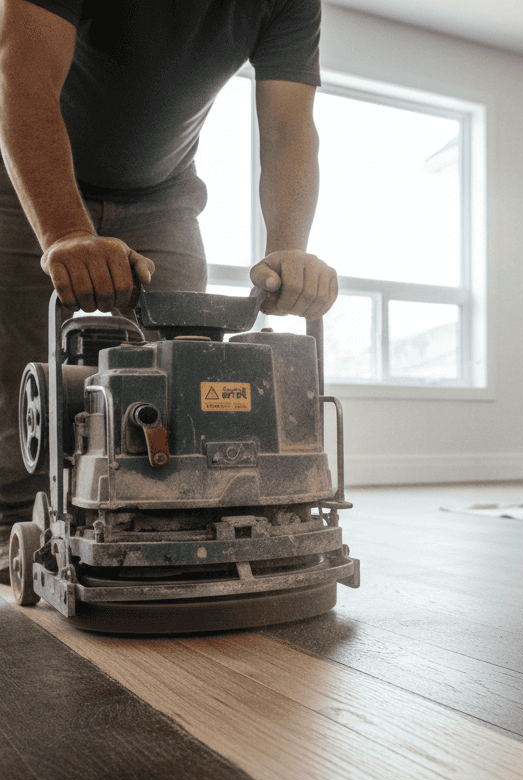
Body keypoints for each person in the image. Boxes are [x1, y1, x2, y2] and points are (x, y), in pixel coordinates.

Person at [0, 0, 339, 582]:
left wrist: (288, 250)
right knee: (16, 388)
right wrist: (63, 232)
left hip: (163, 194)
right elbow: (20, 74)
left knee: (193, 375)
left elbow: (288, 128)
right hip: (22, 180)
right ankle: (15, 528)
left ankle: (167, 523)